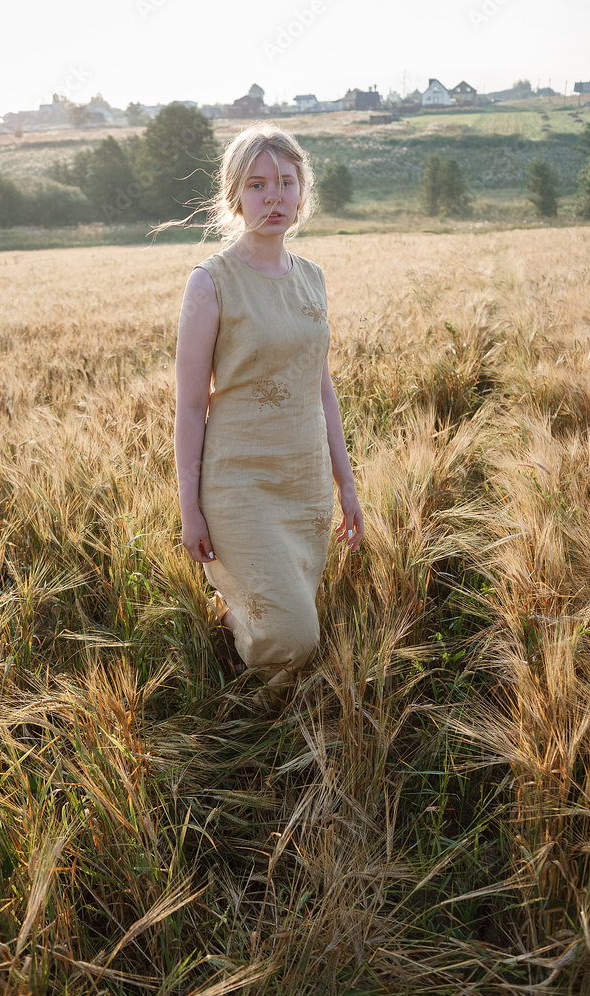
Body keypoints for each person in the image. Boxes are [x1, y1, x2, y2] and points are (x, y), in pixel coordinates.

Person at [174, 122, 364, 705]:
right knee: (297, 635)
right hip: (240, 483)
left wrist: (347, 487)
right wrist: (190, 510)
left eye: (286, 182)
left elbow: (321, 388)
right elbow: (188, 405)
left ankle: (270, 710)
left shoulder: (313, 278)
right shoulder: (211, 283)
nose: (274, 197)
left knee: (296, 620)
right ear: (234, 196)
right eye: (258, 185)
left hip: (304, 481)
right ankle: (235, 629)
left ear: (303, 192)